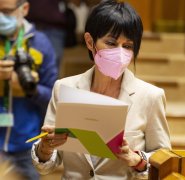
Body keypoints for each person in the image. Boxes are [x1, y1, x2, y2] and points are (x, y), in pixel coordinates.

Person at [31, 0, 171, 179]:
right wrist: (45, 148)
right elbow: (46, 166)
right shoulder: (64, 88)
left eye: (127, 46)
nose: (120, 52)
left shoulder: (151, 96)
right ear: (90, 42)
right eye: (111, 43)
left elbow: (164, 160)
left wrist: (136, 160)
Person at [0, 0, 58, 179]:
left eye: (6, 11)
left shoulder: (41, 44)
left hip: (26, 143)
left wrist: (28, 90)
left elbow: (52, 97)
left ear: (24, 9)